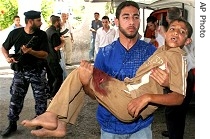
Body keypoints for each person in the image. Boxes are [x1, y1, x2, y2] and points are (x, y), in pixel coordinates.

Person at [21, 18, 193, 138]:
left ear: (187, 41)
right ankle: (60, 122)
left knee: (79, 73)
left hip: (129, 100)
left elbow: (179, 97)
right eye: (173, 29)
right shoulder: (163, 50)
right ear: (117, 22)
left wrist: (149, 96)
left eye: (182, 31)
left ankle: (52, 115)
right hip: (124, 92)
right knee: (83, 75)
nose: (176, 33)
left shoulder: (179, 57)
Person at [1, 10, 49, 137]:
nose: (41, 22)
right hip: (20, 72)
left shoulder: (42, 35)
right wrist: (7, 57)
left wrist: (31, 51)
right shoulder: (15, 33)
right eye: (38, 20)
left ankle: (40, 123)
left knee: (41, 99)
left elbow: (45, 54)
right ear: (30, 21)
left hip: (37, 72)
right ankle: (12, 124)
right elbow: (4, 47)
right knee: (15, 98)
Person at [161, 7, 195, 139]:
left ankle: (175, 135)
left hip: (181, 74)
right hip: (187, 74)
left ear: (168, 19)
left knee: (173, 110)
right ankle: (174, 133)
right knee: (179, 111)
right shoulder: (186, 30)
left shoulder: (173, 35)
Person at [45, 15, 64, 99]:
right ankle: (54, 94)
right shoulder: (54, 33)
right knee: (59, 76)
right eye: (59, 21)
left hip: (47, 58)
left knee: (51, 77)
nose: (60, 23)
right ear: (56, 22)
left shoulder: (48, 31)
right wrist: (63, 42)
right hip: (53, 58)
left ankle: (49, 93)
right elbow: (56, 48)